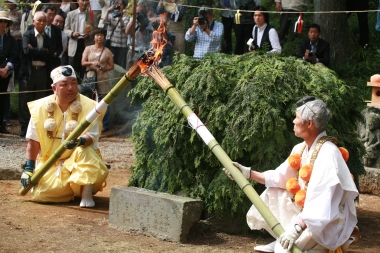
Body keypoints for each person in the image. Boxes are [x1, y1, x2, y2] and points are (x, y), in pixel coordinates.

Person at [224, 96, 359, 253]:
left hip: (327, 223)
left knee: (283, 249)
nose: (293, 121)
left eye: (297, 118)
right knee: (273, 192)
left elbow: (321, 204)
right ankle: (283, 241)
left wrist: (295, 230)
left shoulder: (329, 154)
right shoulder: (300, 148)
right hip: (306, 216)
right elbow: (280, 177)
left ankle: (308, 246)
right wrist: (247, 173)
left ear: (309, 124)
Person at [20, 65, 109, 207]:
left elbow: (91, 136)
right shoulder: (41, 108)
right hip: (52, 161)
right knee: (42, 194)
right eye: (65, 84)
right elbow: (34, 141)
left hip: (78, 158)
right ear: (54, 88)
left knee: (84, 150)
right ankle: (69, 189)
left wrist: (79, 141)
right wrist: (29, 169)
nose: (71, 88)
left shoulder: (90, 106)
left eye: (74, 83)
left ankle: (85, 192)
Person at [18, 11, 53, 137]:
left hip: (42, 71)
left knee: (40, 100)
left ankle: (37, 127)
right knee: (25, 100)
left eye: (44, 20)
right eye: (39, 20)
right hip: (28, 72)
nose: (42, 23)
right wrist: (43, 50)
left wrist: (35, 50)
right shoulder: (27, 35)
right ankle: (24, 127)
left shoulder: (48, 38)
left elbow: (51, 54)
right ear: (33, 21)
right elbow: (26, 51)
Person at [81, 28, 114, 132]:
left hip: (102, 78)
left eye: (101, 35)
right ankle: (89, 122)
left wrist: (105, 68)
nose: (99, 37)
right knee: (89, 100)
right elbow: (82, 62)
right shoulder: (88, 49)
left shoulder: (107, 51)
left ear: (104, 37)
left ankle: (105, 124)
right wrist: (92, 63)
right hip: (91, 78)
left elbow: (111, 66)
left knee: (104, 101)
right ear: (94, 37)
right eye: (97, 35)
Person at [64, 0, 97, 79]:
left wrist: (89, 34)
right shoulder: (70, 14)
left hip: (86, 43)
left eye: (86, 0)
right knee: (72, 69)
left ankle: (84, 86)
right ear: (78, 1)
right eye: (82, 0)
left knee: (85, 68)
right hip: (74, 43)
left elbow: (96, 30)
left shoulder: (92, 14)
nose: (84, 3)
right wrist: (72, 33)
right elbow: (65, 29)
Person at [0, 11, 19, 134]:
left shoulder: (11, 40)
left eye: (4, 21)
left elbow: (14, 55)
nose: (2, 24)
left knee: (2, 98)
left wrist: (6, 68)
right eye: (0, 21)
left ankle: (1, 124)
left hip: (5, 73)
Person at [125, 6, 152, 70]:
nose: (140, 14)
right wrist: (134, 19)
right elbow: (127, 32)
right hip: (132, 51)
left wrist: (143, 23)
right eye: (138, 12)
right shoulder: (132, 20)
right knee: (129, 74)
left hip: (143, 52)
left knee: (141, 74)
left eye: (141, 12)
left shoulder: (148, 21)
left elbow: (144, 37)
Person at [103, 0, 129, 68]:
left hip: (122, 45)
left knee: (121, 65)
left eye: (121, 4)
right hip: (111, 43)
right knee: (111, 63)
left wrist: (120, 17)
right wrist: (108, 11)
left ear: (124, 6)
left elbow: (124, 28)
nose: (119, 6)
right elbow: (105, 22)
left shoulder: (126, 17)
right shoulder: (111, 15)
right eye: (117, 4)